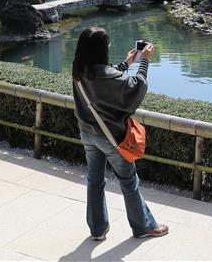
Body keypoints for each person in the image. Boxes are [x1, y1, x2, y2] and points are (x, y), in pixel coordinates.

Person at [71, 27, 169, 242]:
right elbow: (136, 87)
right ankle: (143, 226)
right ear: (101, 49)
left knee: (94, 181)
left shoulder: (79, 69)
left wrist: (127, 63)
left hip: (87, 134)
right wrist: (145, 61)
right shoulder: (104, 74)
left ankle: (97, 230)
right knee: (128, 182)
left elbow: (106, 78)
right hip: (112, 138)